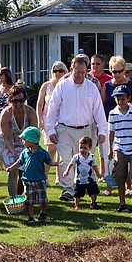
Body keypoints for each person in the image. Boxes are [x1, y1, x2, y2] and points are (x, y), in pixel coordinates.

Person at [46, 53, 108, 202]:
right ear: (71, 69)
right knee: (66, 160)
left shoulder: (92, 88)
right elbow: (52, 109)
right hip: (65, 129)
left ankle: (82, 189)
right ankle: (68, 189)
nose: (80, 75)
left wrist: (102, 130)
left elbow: (98, 111)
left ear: (86, 71)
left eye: (82, 72)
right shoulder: (62, 86)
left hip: (86, 130)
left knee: (83, 162)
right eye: (77, 71)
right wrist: (50, 130)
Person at [7, 126, 57, 224]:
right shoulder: (25, 152)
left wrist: (54, 163)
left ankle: (43, 212)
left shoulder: (42, 152)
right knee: (29, 200)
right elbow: (19, 162)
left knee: (43, 198)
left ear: (31, 140)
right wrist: (12, 167)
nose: (22, 141)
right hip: (27, 180)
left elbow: (48, 161)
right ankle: (31, 217)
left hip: (40, 180)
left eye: (24, 139)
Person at [108, 84, 132, 212]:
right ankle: (122, 202)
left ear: (128, 98)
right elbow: (111, 132)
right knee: (120, 174)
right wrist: (111, 149)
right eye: (117, 99)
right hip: (120, 147)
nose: (120, 101)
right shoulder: (113, 113)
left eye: (122, 98)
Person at [0, 85, 37, 197]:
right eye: (15, 101)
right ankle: (13, 199)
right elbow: (7, 138)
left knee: (25, 171)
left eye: (21, 100)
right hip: (7, 144)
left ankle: (21, 196)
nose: (18, 104)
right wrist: (13, 152)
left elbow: (34, 134)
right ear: (10, 100)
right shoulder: (6, 113)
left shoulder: (30, 112)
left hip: (25, 143)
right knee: (13, 170)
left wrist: (28, 151)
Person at [102, 56, 132, 197]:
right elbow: (101, 106)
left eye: (120, 71)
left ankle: (129, 186)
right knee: (110, 157)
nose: (117, 74)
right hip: (111, 124)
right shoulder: (107, 86)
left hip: (128, 126)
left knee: (128, 157)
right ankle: (109, 186)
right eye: (114, 71)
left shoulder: (131, 85)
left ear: (125, 70)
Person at [36, 61, 66, 183]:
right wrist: (40, 120)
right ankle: (45, 175)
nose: (57, 73)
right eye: (55, 71)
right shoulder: (46, 85)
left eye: (60, 71)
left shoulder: (66, 85)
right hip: (48, 120)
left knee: (61, 149)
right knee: (51, 148)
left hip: (63, 120)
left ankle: (60, 177)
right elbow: (39, 104)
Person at [63, 136, 100, 210]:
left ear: (90, 148)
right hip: (80, 179)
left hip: (90, 178)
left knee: (93, 191)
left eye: (85, 148)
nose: (82, 150)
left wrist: (98, 173)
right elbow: (71, 164)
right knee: (78, 192)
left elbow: (94, 165)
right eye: (81, 148)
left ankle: (93, 202)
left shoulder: (91, 157)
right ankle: (77, 204)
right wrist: (67, 171)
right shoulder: (77, 157)